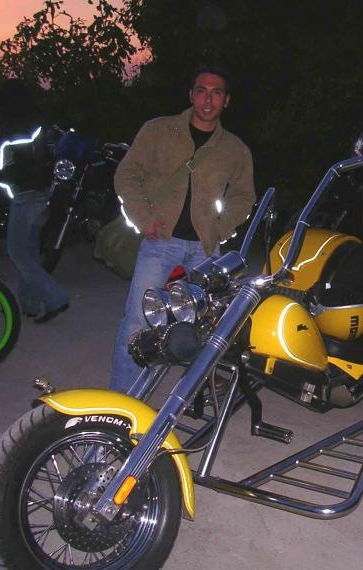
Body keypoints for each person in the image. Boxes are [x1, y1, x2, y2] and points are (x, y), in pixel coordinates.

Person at [110, 66, 256, 392]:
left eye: (216, 93)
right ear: (191, 95)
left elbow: (244, 196)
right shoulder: (159, 130)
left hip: (205, 247)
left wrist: (221, 227)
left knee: (210, 323)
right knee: (138, 320)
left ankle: (198, 391)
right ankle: (121, 400)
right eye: (201, 91)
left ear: (226, 101)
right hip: (161, 241)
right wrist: (143, 216)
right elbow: (127, 174)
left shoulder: (234, 149)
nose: (208, 99)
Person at [0, 78, 69, 323]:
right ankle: (29, 304)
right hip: (39, 194)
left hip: (24, 198)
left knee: (17, 252)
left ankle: (55, 298)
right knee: (29, 252)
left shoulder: (14, 132)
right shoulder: (37, 126)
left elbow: (9, 168)